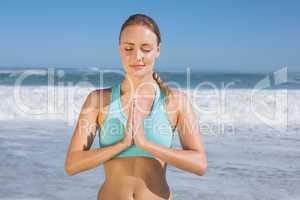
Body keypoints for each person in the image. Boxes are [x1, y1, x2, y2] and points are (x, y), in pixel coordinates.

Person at [64, 13, 207, 200]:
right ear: (119, 50)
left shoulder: (175, 102)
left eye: (146, 48)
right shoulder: (98, 101)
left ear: (158, 50)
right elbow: (72, 164)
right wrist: (121, 145)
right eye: (129, 48)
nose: (137, 56)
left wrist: (145, 144)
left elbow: (199, 164)